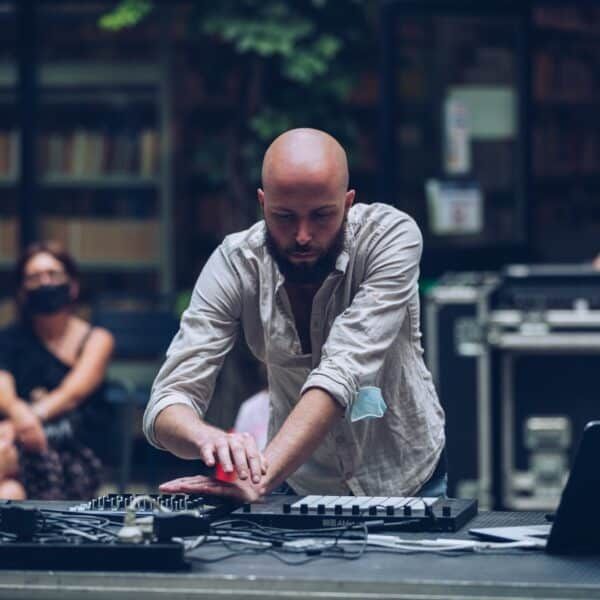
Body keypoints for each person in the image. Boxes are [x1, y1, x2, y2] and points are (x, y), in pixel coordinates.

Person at [145, 128, 445, 502]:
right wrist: (208, 438)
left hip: (404, 477)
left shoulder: (390, 238)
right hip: (299, 483)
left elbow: (341, 371)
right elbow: (168, 400)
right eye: (284, 216)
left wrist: (259, 477)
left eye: (321, 216)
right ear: (262, 203)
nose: (303, 235)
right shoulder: (236, 263)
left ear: (348, 203)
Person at [0, 241, 114, 500]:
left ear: (73, 285)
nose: (45, 283)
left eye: (53, 274)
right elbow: (3, 393)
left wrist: (24, 422)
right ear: (22, 291)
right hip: (17, 440)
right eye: (34, 278)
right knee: (9, 493)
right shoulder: (8, 339)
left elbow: (70, 395)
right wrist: (21, 419)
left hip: (72, 451)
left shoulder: (97, 339)